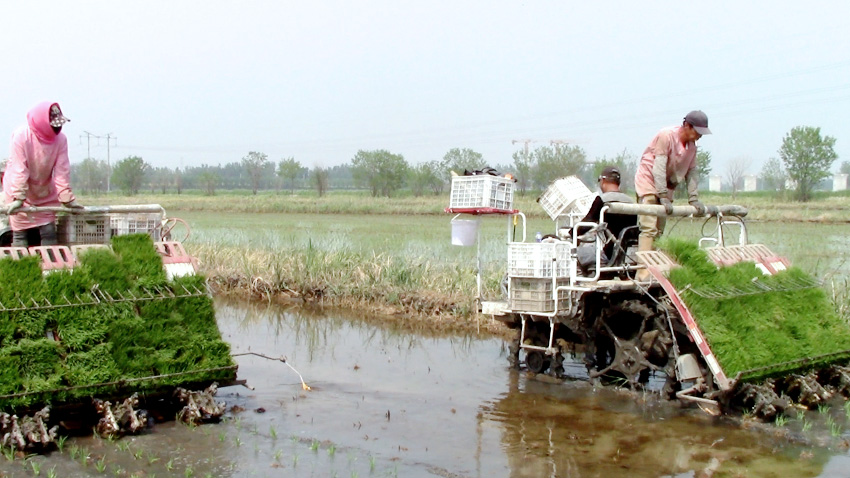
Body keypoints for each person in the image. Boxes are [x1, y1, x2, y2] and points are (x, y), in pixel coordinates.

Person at [4, 101, 81, 247]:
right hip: (17, 188)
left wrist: (67, 198)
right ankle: (21, 260)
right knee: (20, 233)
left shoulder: (61, 140)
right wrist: (18, 198)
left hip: (44, 191)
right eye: (54, 124)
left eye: (59, 124)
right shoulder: (22, 136)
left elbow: (62, 170)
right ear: (41, 122)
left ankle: (50, 261)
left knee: (49, 230)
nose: (57, 128)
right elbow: (19, 168)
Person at [634, 110, 710, 256]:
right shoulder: (667, 136)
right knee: (649, 227)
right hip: (649, 180)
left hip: (667, 184)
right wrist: (662, 195)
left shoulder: (692, 147)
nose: (700, 136)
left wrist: (693, 198)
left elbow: (692, 172)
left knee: (659, 228)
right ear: (687, 125)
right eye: (698, 131)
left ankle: (655, 262)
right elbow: (659, 166)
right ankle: (644, 267)